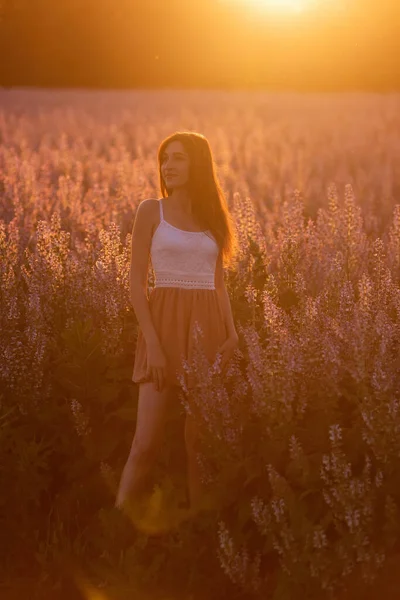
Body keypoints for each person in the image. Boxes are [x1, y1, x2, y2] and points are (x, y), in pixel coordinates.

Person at [115, 131, 239, 515]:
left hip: (209, 331)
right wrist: (152, 342)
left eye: (179, 158)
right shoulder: (151, 211)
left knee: (197, 444)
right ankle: (117, 528)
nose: (168, 165)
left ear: (197, 164)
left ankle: (197, 541)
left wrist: (232, 333)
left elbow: (218, 283)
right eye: (165, 158)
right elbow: (136, 283)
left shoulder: (212, 218)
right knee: (145, 443)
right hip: (162, 328)